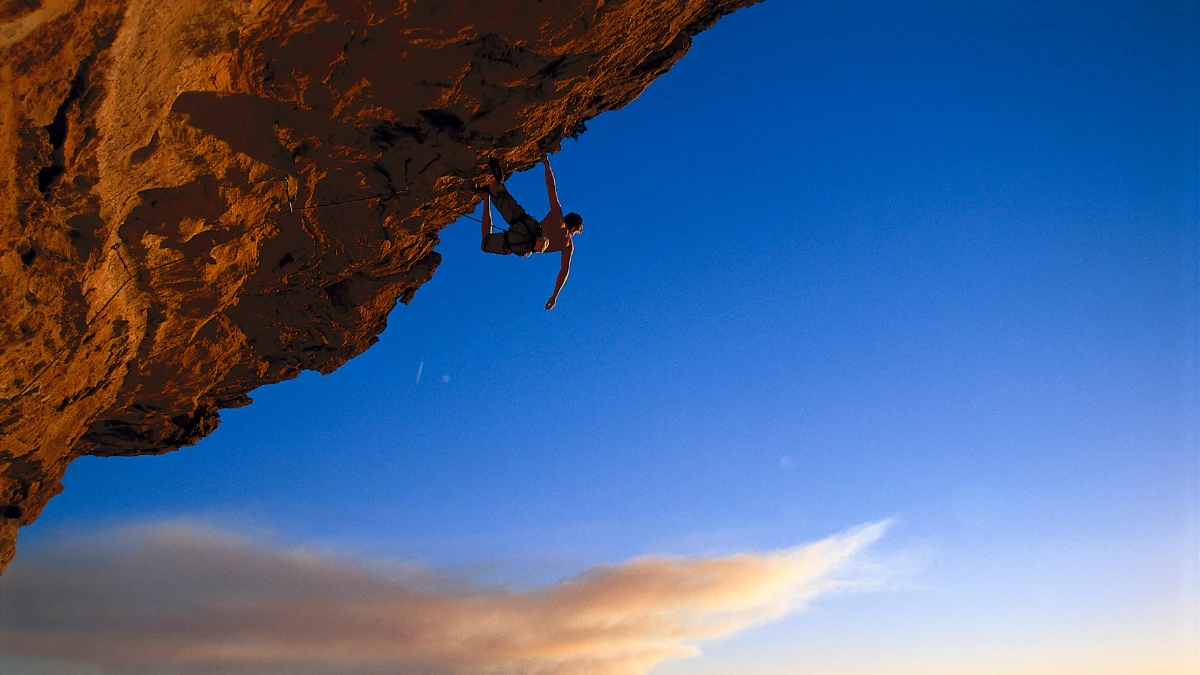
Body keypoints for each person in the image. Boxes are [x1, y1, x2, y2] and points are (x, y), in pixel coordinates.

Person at [480, 156, 583, 310]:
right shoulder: (568, 244)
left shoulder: (557, 215)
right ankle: (486, 197)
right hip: (523, 244)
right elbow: (564, 271)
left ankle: (495, 189)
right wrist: (554, 296)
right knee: (486, 242)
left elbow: (551, 188)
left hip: (527, 225)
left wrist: (546, 164)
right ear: (574, 229)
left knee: (501, 195)